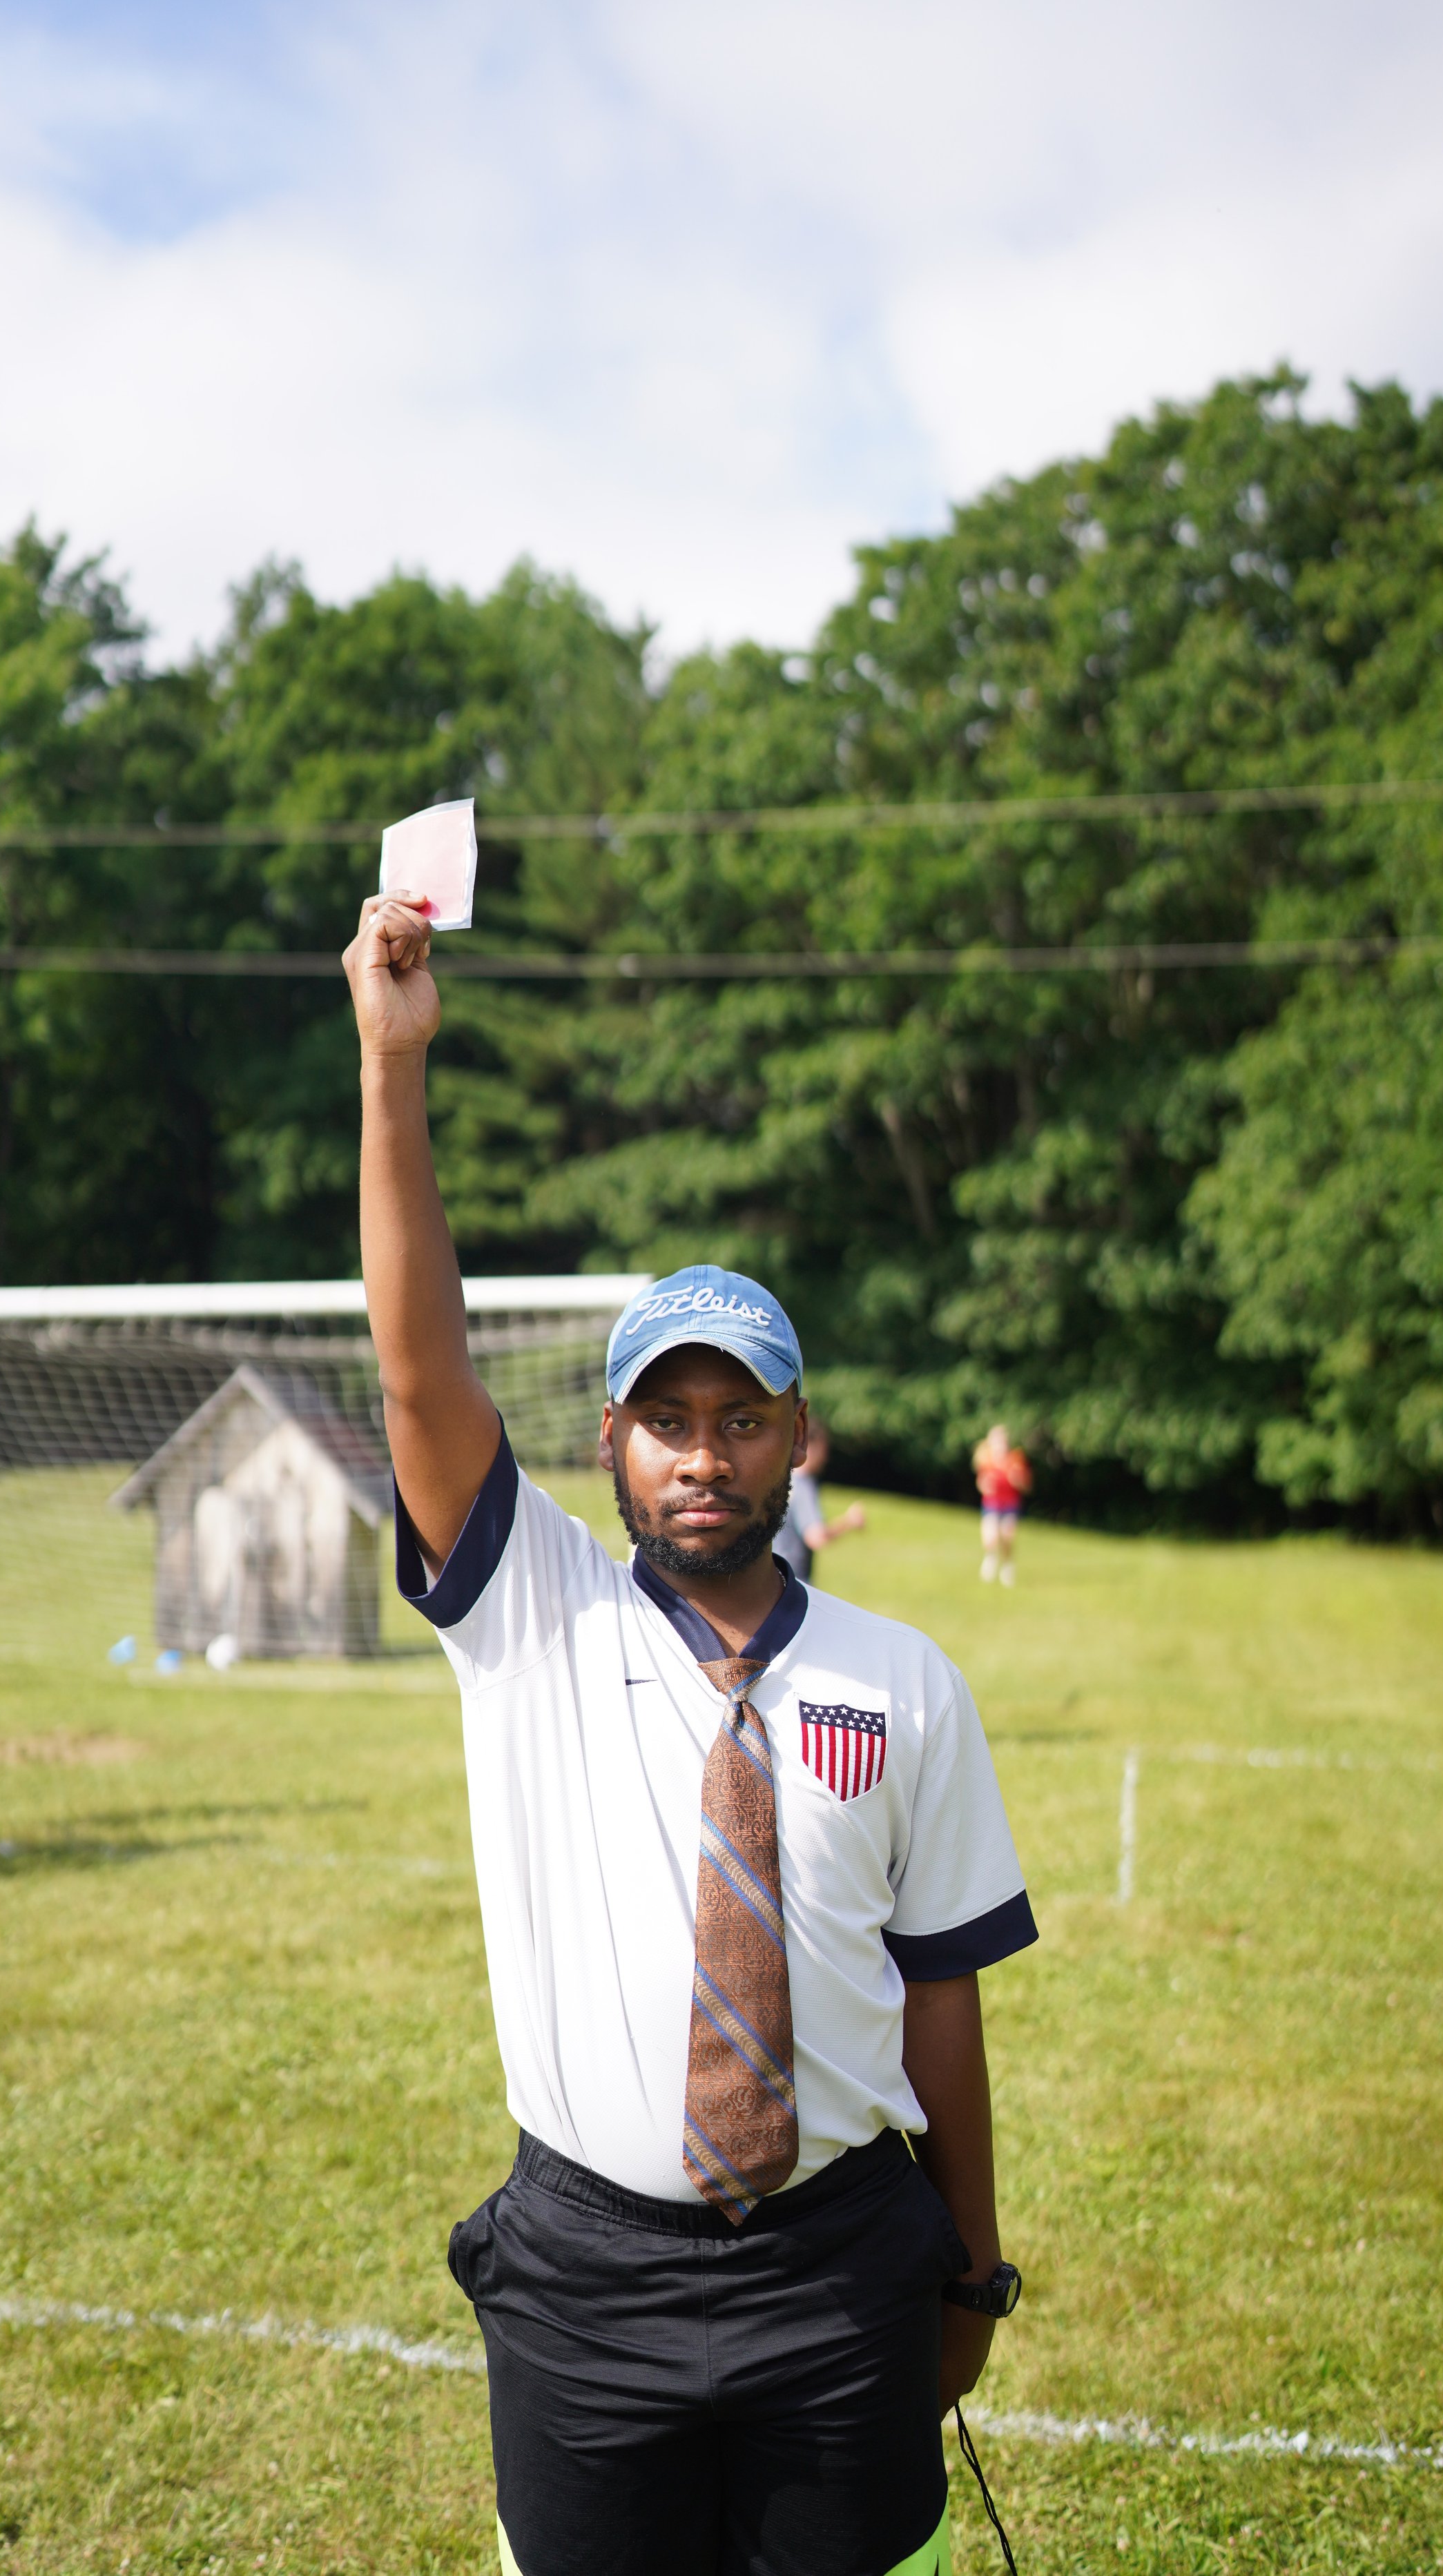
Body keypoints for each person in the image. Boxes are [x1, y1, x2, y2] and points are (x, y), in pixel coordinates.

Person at [345, 891, 1037, 2576]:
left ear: (798, 1435)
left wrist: (970, 2257)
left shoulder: (905, 1676)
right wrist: (392, 1076)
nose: (703, 1453)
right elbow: (422, 1366)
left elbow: (937, 1991)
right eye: (667, 1419)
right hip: (591, 2268)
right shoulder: (537, 1615)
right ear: (612, 1442)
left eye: (740, 1417)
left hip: (840, 2258)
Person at [772, 1414, 866, 1585]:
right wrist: (850, 1521)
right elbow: (817, 1537)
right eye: (824, 1448)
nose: (826, 1457)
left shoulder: (781, 1480)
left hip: (773, 1581)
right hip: (794, 1583)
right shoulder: (803, 1486)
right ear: (809, 1445)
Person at [971, 1425, 1032, 1588]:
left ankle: (1007, 1565)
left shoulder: (1015, 1460)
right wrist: (986, 1486)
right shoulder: (987, 1460)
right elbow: (981, 1483)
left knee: (1007, 1537)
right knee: (990, 1537)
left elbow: (1027, 1485)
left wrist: (1017, 1480)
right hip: (992, 1504)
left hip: (1010, 1505)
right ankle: (991, 1559)